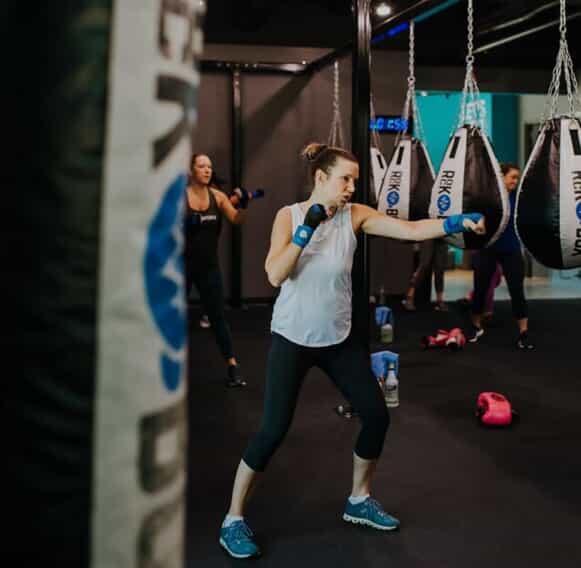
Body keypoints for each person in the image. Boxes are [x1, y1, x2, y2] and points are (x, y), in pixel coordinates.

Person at [218, 143, 486, 559]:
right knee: (272, 431)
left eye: (354, 181)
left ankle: (359, 500)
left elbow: (411, 230)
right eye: (346, 179)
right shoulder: (287, 216)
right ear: (321, 178)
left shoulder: (355, 215)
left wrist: (456, 222)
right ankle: (233, 519)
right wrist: (306, 228)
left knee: (376, 417)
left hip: (338, 339)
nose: (351, 187)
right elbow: (274, 274)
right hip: (293, 338)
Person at [184, 153, 258, 387]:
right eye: (201, 166)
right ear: (191, 171)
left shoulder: (217, 197)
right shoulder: (178, 198)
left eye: (209, 166)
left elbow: (237, 220)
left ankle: (232, 365)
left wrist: (244, 204)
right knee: (170, 319)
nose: (207, 170)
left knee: (218, 317)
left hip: (208, 268)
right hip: (180, 269)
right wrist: (184, 224)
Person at [468, 162, 534, 349]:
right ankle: (476, 327)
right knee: (480, 289)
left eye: (517, 178)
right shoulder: (489, 198)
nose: (515, 181)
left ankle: (523, 332)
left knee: (517, 291)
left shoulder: (517, 199)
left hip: (511, 250)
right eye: (512, 177)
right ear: (502, 177)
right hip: (487, 249)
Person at [402, 238, 449, 312]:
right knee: (424, 265)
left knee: (440, 269)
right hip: (429, 235)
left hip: (442, 235)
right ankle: (409, 296)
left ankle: (439, 300)